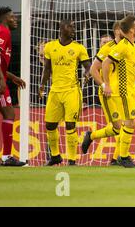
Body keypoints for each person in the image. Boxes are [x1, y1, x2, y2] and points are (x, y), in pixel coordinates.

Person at [97, 15, 135, 168]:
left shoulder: (132, 45)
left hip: (130, 89)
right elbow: (105, 63)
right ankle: (123, 156)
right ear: (130, 30)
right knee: (129, 122)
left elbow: (131, 70)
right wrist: (106, 85)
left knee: (129, 123)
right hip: (122, 91)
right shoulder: (122, 46)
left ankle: (122, 156)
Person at [40, 20, 92, 166]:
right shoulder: (50, 46)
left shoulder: (79, 48)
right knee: (50, 125)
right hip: (55, 91)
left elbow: (88, 66)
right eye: (70, 27)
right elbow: (47, 68)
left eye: (74, 27)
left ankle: (72, 159)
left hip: (72, 91)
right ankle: (55, 156)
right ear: (61, 28)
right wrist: (42, 85)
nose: (73, 29)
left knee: (70, 125)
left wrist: (88, 74)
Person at [81, 22, 123, 165]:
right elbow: (92, 71)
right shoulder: (104, 52)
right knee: (119, 127)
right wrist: (105, 85)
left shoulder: (123, 48)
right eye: (102, 42)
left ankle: (116, 157)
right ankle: (117, 158)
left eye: (107, 41)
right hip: (108, 94)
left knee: (123, 126)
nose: (105, 43)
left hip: (122, 92)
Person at [0, 7, 26, 166]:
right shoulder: (3, 31)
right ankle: (6, 157)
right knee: (9, 113)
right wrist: (2, 79)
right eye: (12, 16)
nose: (15, 19)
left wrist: (12, 77)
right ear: (5, 18)